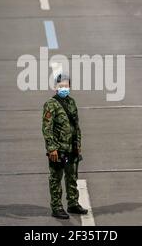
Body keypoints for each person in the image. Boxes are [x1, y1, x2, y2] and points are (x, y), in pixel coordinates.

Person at [42, 73, 88, 219]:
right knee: (56, 178)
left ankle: (73, 203)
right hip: (58, 149)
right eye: (61, 86)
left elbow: (76, 125)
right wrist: (51, 148)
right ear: (55, 87)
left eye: (66, 86)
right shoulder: (51, 104)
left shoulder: (72, 102)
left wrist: (78, 144)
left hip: (71, 148)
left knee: (72, 176)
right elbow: (46, 128)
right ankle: (56, 206)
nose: (64, 88)